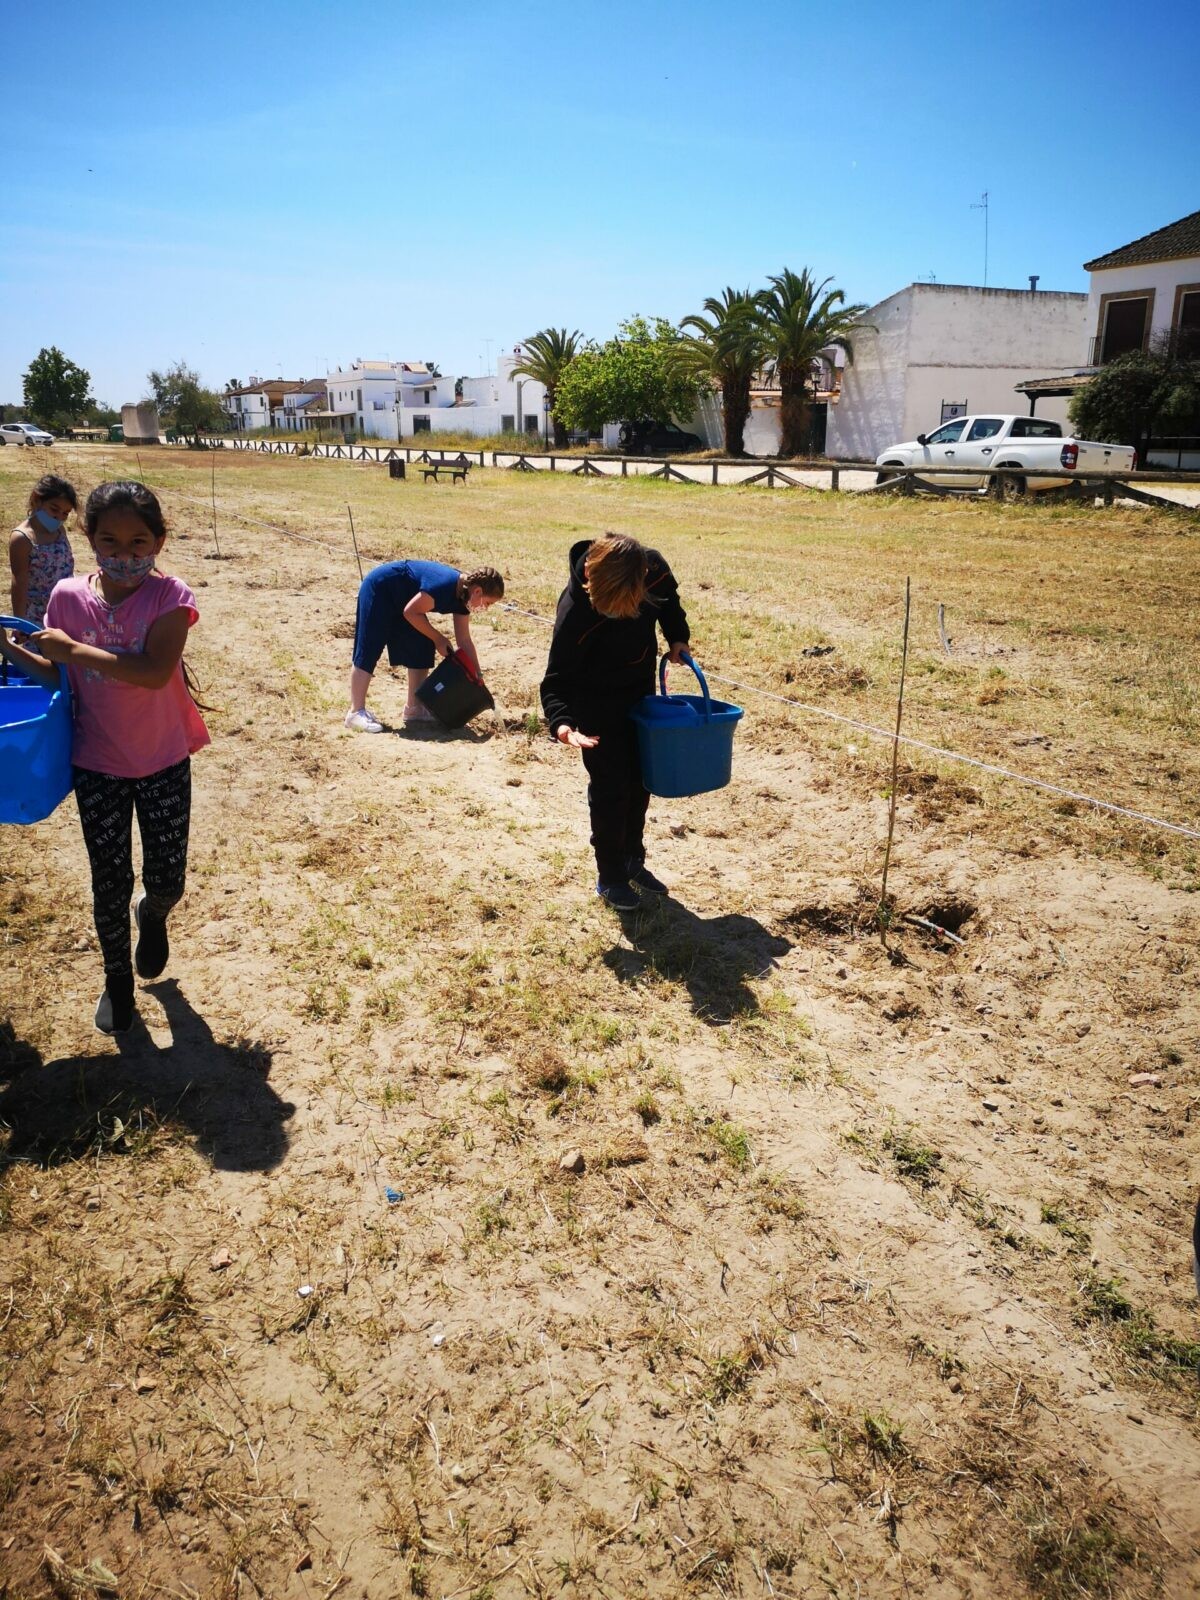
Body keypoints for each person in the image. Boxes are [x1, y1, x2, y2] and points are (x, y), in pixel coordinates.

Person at [0, 481, 209, 1035]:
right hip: (96, 764)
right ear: (90, 538)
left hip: (163, 761)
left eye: (139, 542)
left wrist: (74, 649)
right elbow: (60, 678)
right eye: (110, 541)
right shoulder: (67, 597)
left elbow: (154, 672)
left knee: (167, 879)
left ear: (159, 541)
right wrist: (10, 648)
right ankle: (117, 981)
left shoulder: (171, 597)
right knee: (108, 881)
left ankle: (153, 912)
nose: (124, 554)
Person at [540, 534, 692, 912]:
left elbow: (669, 602)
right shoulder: (575, 612)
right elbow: (556, 679)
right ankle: (610, 876)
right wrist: (562, 725)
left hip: (639, 692)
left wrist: (677, 637)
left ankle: (632, 859)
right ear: (592, 581)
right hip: (594, 703)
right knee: (611, 788)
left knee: (641, 780)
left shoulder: (653, 570)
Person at [345, 559, 505, 732]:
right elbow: (410, 612)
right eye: (488, 603)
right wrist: (438, 638)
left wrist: (477, 675)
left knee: (422, 645)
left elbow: (464, 641)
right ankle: (355, 712)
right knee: (370, 645)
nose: (486, 608)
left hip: (407, 601)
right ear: (477, 591)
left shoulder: (464, 598)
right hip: (382, 589)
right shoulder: (444, 585)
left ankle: (414, 709)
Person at [8, 474, 78, 629]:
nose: (59, 517)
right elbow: (19, 582)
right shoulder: (22, 539)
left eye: (65, 513)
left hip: (64, 611)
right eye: (54, 509)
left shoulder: (60, 531)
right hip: (37, 616)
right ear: (36, 500)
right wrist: (20, 623)